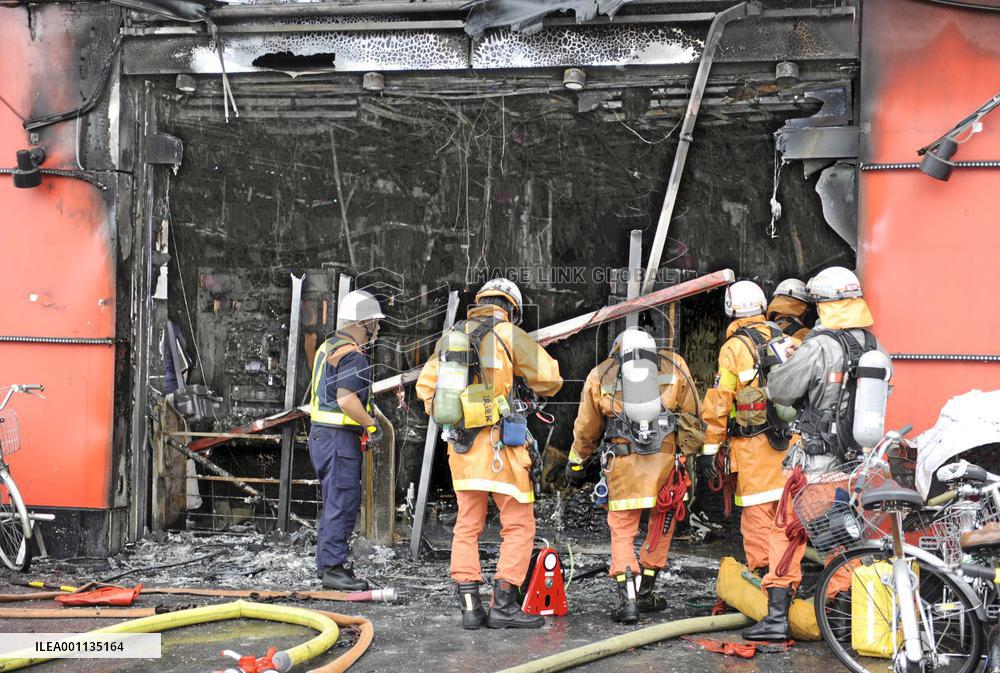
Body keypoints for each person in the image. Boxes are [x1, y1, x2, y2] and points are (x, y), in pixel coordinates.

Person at [743, 266, 891, 641]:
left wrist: (779, 362)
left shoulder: (820, 345)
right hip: (855, 464)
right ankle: (843, 618)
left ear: (824, 304)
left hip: (816, 464)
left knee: (786, 532)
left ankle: (776, 619)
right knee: (841, 538)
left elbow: (780, 391)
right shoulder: (874, 348)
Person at [416, 278, 562, 630]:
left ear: (479, 302)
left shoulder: (451, 337)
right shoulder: (509, 333)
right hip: (502, 452)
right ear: (512, 308)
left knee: (467, 525)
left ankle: (470, 607)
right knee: (518, 524)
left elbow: (426, 391)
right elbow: (550, 379)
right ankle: (504, 606)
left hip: (463, 451)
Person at [566, 320, 700, 623]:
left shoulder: (600, 373)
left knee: (623, 531)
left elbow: (587, 428)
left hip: (623, 464)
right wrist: (689, 455)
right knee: (661, 524)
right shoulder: (674, 365)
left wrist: (576, 461)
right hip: (666, 465)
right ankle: (647, 591)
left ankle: (628, 601)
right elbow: (692, 413)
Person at [699, 281, 800, 581]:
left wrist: (709, 449)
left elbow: (719, 402)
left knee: (757, 521)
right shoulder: (784, 339)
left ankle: (765, 589)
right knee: (785, 519)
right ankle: (786, 585)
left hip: (753, 450)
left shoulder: (733, 348)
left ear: (730, 310)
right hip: (788, 444)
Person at [307, 289, 386, 591]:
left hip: (323, 438)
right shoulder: (353, 355)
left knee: (334, 502)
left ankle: (329, 564)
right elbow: (346, 400)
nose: (377, 330)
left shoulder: (328, 348)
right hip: (339, 440)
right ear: (361, 322)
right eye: (375, 324)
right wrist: (372, 426)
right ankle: (333, 569)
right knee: (343, 502)